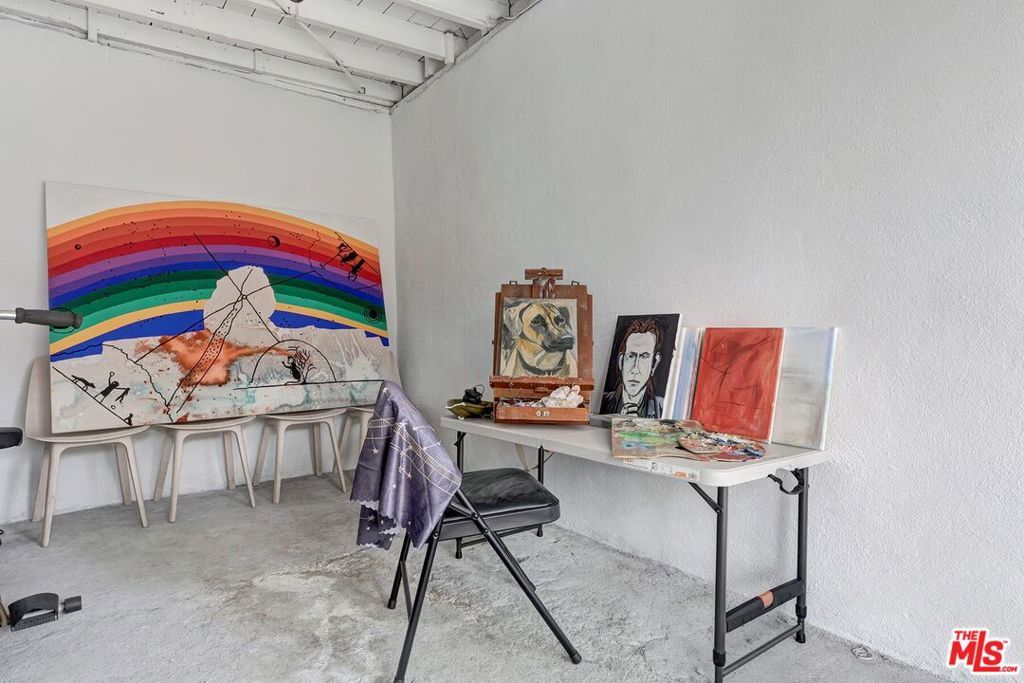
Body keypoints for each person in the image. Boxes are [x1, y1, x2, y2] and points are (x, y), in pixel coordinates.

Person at [600, 318, 664, 417]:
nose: (635, 369)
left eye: (644, 357)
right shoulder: (604, 403)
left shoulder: (661, 407)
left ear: (654, 364)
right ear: (621, 361)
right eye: (631, 356)